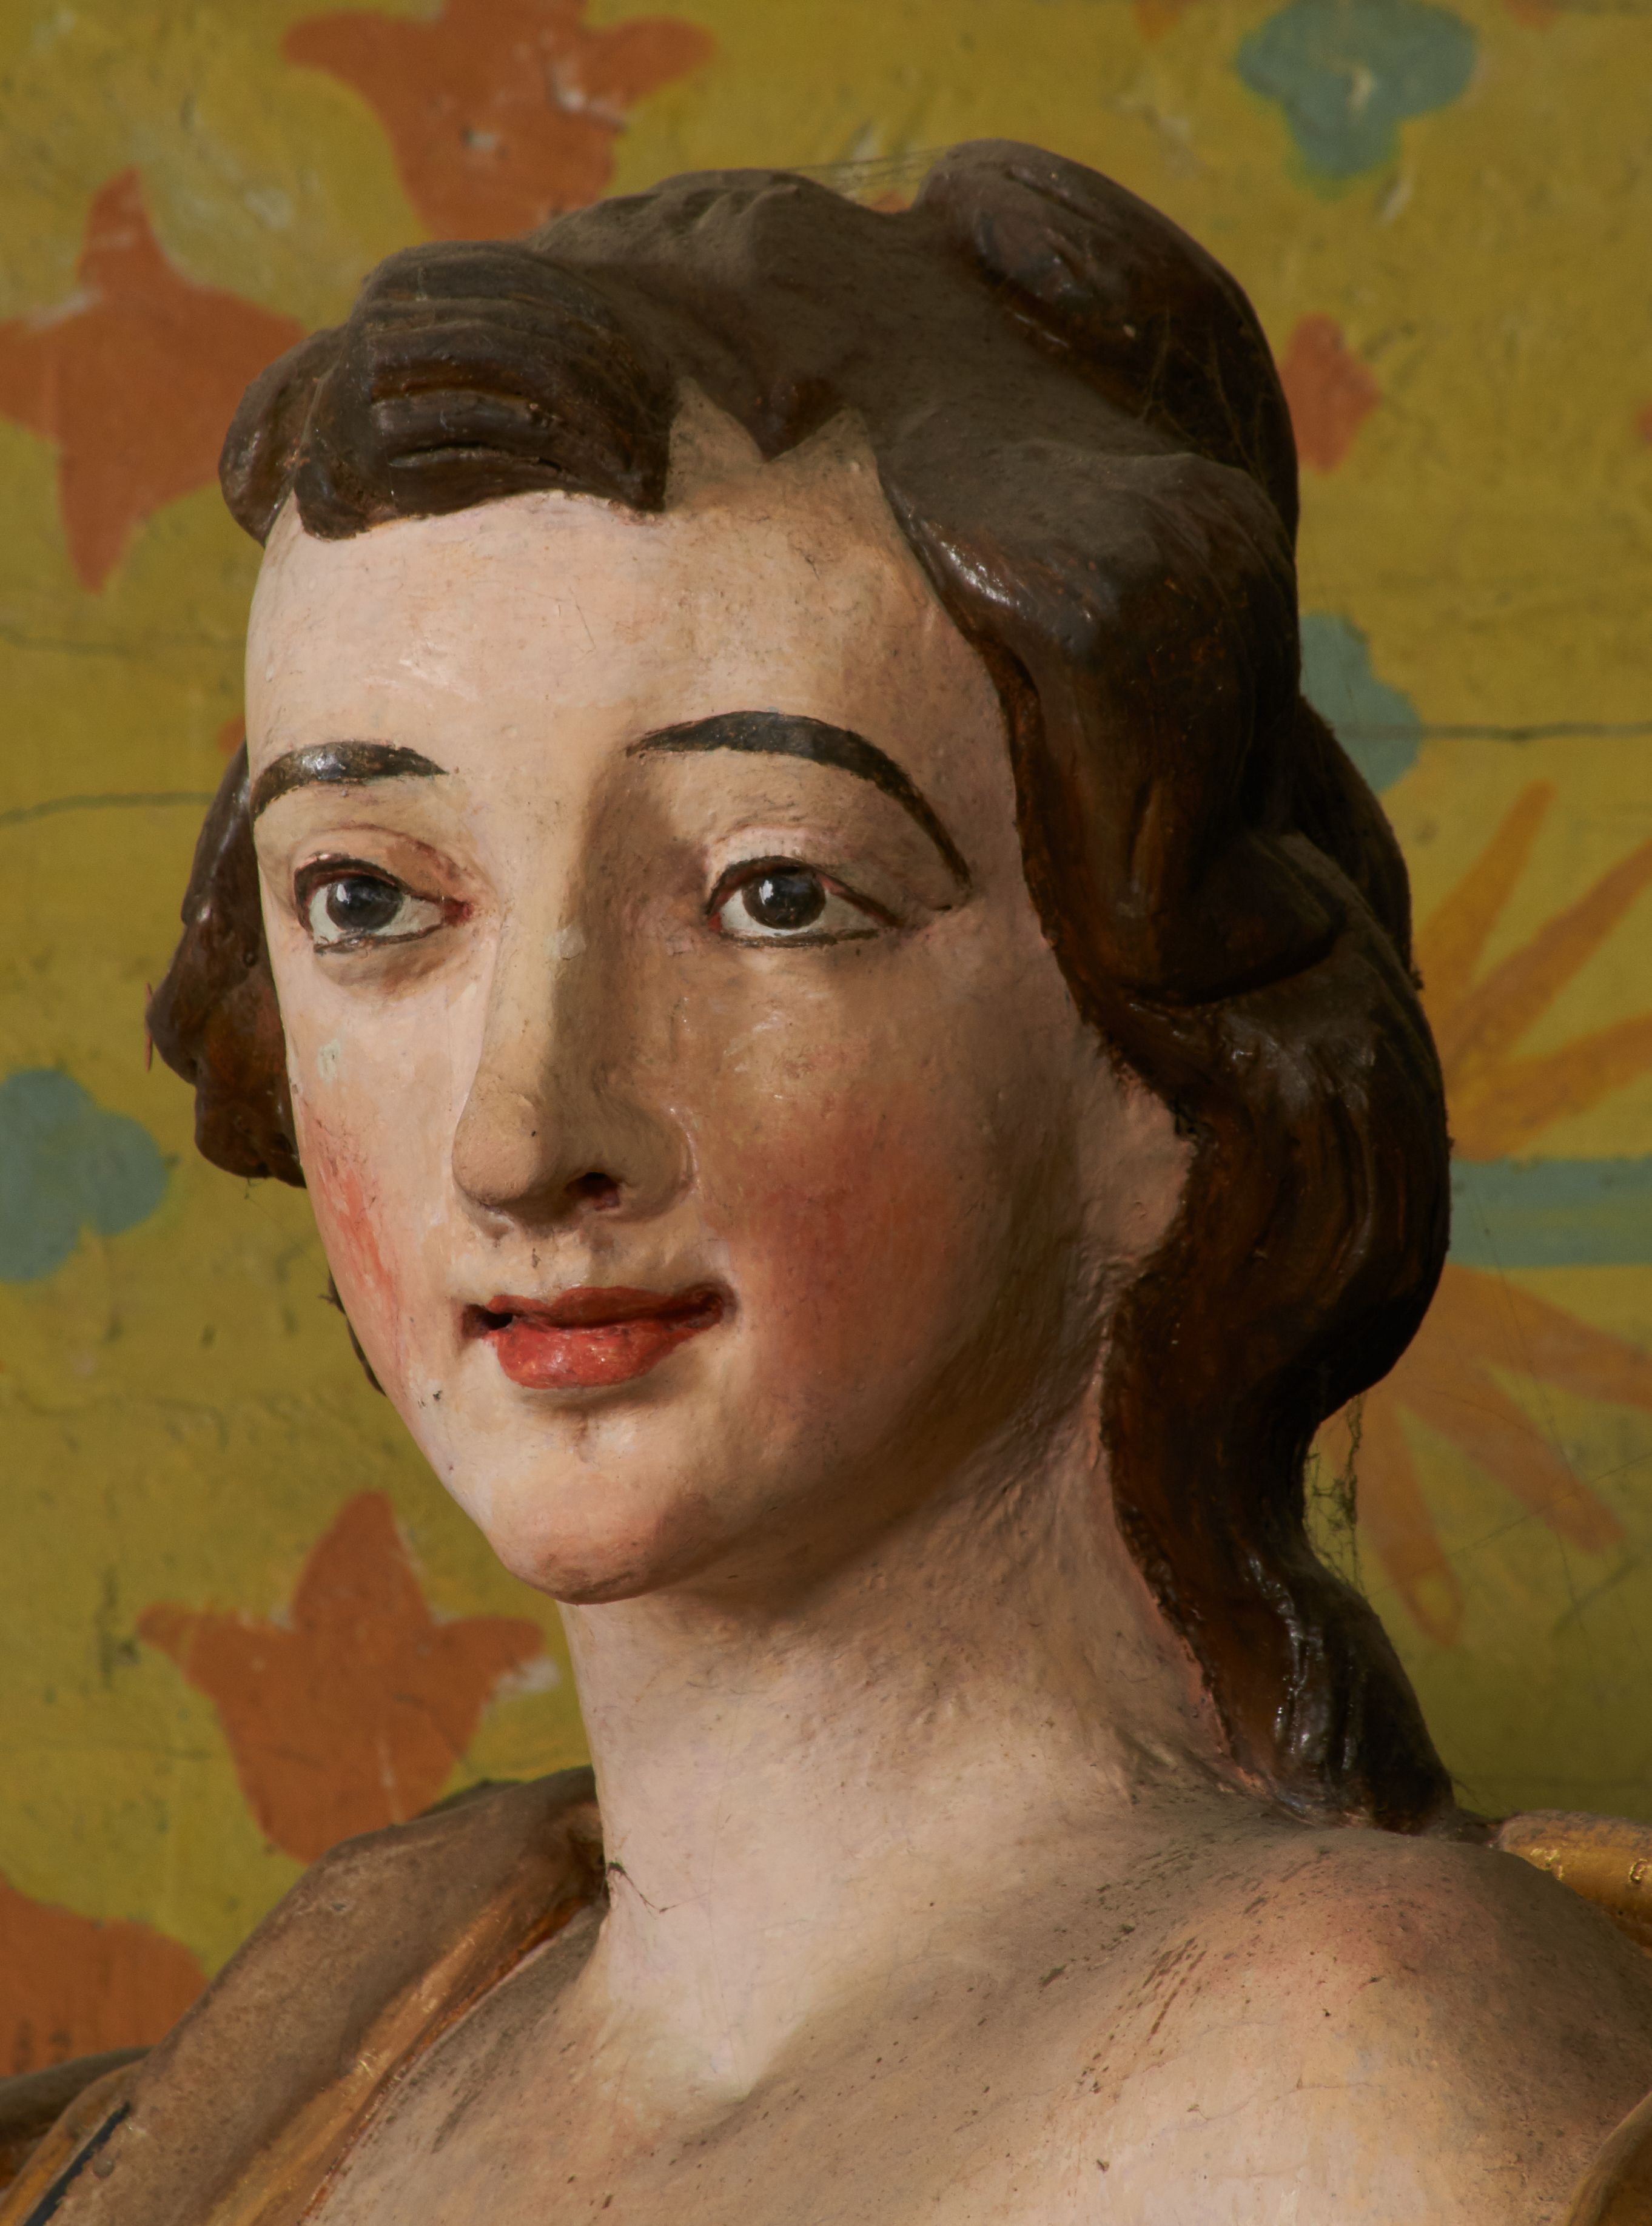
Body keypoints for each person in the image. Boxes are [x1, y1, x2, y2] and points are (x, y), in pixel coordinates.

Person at [5, 141, 1651, 2225]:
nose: (521, 1135)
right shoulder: (311, 2051)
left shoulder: (1330, 2095)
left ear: (1155, 1060)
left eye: (774, 894)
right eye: (370, 900)